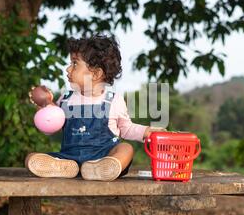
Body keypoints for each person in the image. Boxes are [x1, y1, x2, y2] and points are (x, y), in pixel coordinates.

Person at [25, 35, 156, 181]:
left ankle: (103, 168)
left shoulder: (113, 101)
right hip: (70, 158)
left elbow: (126, 128)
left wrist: (146, 132)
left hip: (104, 156)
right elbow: (51, 128)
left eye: (75, 64)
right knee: (31, 158)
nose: (68, 69)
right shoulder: (65, 100)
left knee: (126, 149)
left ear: (96, 74)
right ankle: (62, 167)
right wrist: (43, 108)